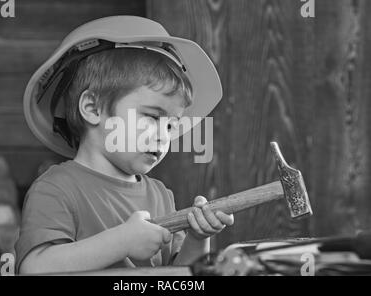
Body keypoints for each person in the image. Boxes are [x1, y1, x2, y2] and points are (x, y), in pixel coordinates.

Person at [16, 15, 233, 274]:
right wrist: (123, 242)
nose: (165, 135)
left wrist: (198, 239)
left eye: (171, 125)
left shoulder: (161, 195)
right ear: (92, 108)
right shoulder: (56, 188)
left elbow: (177, 277)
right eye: (152, 116)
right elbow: (34, 269)